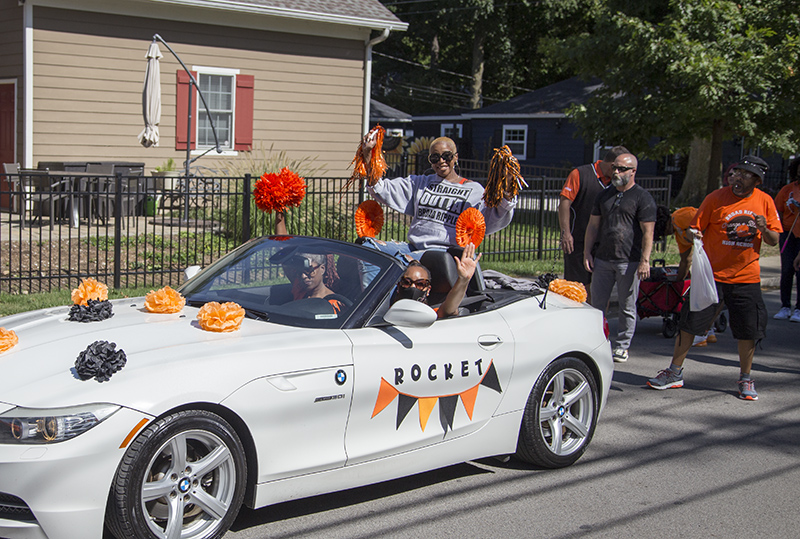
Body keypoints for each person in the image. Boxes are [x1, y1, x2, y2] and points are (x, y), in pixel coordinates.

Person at [647, 155, 782, 401]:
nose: (738, 178)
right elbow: (692, 230)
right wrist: (692, 234)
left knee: (748, 330)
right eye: (736, 173)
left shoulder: (765, 202)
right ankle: (674, 372)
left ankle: (745, 378)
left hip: (746, 277)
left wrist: (764, 228)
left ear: (756, 180)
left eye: (745, 175)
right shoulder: (715, 198)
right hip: (711, 275)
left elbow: (774, 240)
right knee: (689, 322)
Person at [360, 136, 516, 257]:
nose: (441, 161)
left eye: (446, 156)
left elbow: (495, 216)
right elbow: (381, 188)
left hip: (444, 253)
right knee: (368, 249)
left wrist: (508, 186)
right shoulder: (420, 183)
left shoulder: (473, 190)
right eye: (434, 158)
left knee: (413, 263)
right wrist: (368, 157)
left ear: (455, 157)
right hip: (412, 248)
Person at [584, 152, 657, 363]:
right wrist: (587, 252)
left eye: (622, 168)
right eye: (615, 167)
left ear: (633, 171)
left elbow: (648, 233)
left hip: (629, 260)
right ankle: (596, 341)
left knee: (627, 305)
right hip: (603, 259)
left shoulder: (642, 197)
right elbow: (593, 226)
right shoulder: (604, 195)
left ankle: (622, 345)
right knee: (597, 304)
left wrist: (645, 260)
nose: (616, 172)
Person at [558, 146, 629, 300]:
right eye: (620, 168)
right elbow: (564, 203)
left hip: (605, 244)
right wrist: (566, 233)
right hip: (578, 240)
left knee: (602, 290)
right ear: (612, 166)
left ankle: (601, 321)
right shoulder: (580, 174)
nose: (621, 173)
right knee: (577, 288)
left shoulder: (619, 183)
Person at [391, 243, 481, 319]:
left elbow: (449, 307)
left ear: (428, 289)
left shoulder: (431, 314)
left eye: (420, 284)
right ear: (399, 285)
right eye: (407, 282)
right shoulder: (386, 309)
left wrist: (463, 280)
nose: (413, 287)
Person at [669, 205, 718, 347]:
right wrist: (678, 281)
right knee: (707, 295)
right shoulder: (679, 235)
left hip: (713, 254)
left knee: (711, 295)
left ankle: (705, 331)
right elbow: (686, 260)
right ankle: (708, 331)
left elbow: (702, 221)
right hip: (704, 260)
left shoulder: (679, 216)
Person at [772, 157, 800, 322]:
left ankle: (799, 309)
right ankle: (785, 306)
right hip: (788, 234)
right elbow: (777, 210)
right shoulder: (787, 189)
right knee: (787, 269)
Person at [282, 253, 348, 313]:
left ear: (322, 269)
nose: (303, 276)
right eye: (299, 272)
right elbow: (284, 263)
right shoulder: (299, 289)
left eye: (309, 270)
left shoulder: (334, 304)